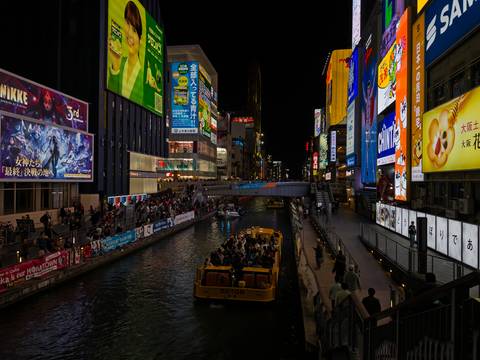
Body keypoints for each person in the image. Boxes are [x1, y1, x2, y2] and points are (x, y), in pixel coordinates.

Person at [108, 1, 144, 104]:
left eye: (134, 30)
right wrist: (115, 64)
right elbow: (110, 101)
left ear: (140, 40)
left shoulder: (143, 76)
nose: (129, 33)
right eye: (127, 24)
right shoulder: (120, 63)